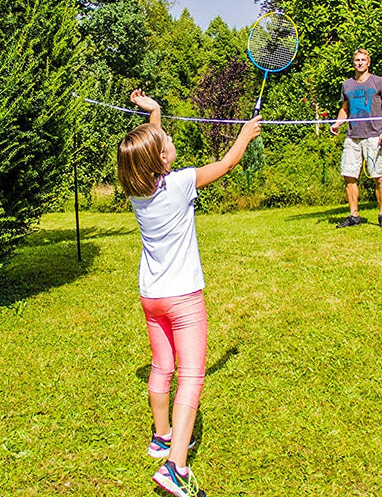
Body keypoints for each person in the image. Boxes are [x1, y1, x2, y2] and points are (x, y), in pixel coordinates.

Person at [117, 89, 261, 497]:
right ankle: (175, 468)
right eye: (164, 141)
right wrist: (246, 135)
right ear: (161, 160)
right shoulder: (179, 183)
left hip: (152, 297)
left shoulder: (139, 190)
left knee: (163, 365)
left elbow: (151, 148)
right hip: (183, 297)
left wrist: (155, 112)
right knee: (192, 376)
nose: (168, 140)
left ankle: (161, 436)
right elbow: (227, 162)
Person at [329, 48, 382, 228]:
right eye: (357, 60)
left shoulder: (378, 82)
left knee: (379, 177)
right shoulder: (347, 85)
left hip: (374, 135)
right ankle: (354, 215)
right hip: (353, 137)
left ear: (368, 63)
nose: (360, 63)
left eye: (363, 60)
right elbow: (345, 109)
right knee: (349, 176)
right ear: (353, 63)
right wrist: (337, 123)